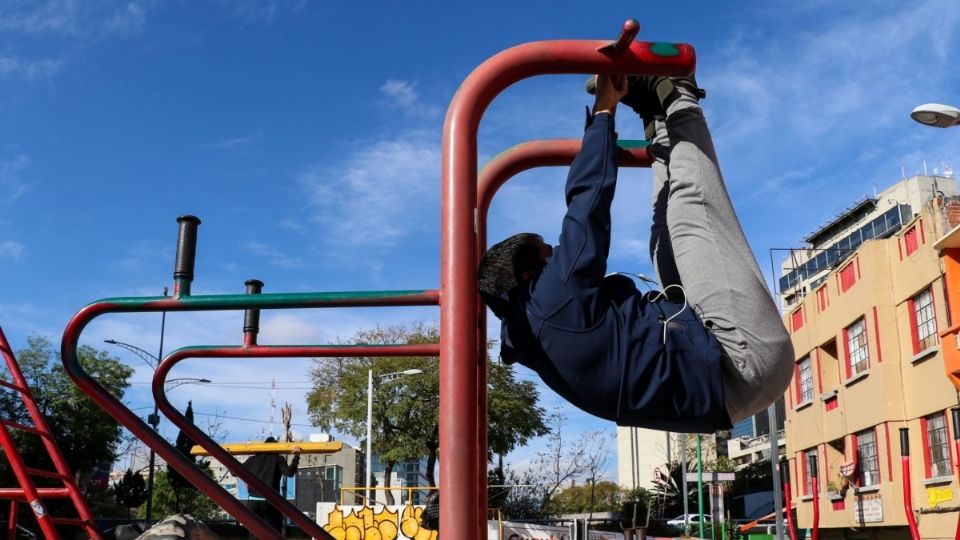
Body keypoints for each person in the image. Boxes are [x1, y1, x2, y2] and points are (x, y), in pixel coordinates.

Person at [478, 72, 794, 433]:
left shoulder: (532, 335)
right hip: (741, 357)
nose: (556, 255)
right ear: (527, 275)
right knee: (691, 214)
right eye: (547, 253)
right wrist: (603, 113)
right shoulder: (550, 299)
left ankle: (657, 121)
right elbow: (587, 204)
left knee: (664, 239)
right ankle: (680, 97)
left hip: (715, 392)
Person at [242, 437, 301, 534]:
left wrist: (227, 456)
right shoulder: (278, 459)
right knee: (273, 533)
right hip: (270, 503)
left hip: (253, 503)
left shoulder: (253, 460)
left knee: (254, 534)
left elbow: (235, 472)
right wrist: (296, 456)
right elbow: (289, 472)